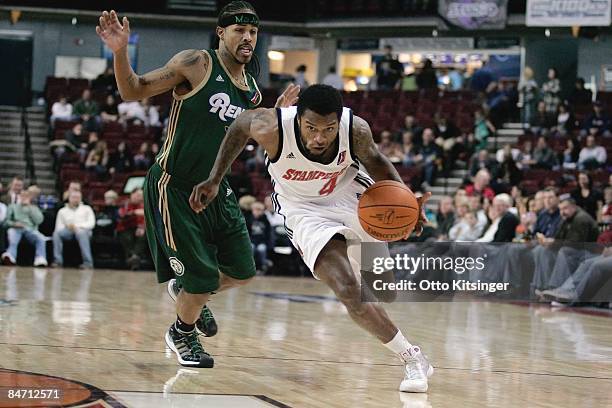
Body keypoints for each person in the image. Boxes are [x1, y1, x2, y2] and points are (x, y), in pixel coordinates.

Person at [191, 84, 434, 393]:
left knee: (382, 291)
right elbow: (239, 127)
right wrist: (214, 179)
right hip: (304, 210)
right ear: (297, 119)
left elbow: (377, 161)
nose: (319, 137)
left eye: (329, 129)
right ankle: (412, 358)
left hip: (354, 200)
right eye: (311, 128)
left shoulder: (355, 129)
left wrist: (408, 203)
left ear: (339, 121)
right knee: (348, 288)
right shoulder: (272, 125)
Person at [96, 2, 299, 368]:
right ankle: (182, 333)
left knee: (241, 271)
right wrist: (121, 51)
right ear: (221, 32)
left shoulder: (251, 90)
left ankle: (189, 292)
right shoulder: (197, 63)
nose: (248, 37)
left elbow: (243, 136)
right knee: (202, 276)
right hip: (174, 186)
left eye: (253, 31)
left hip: (215, 187)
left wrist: (276, 116)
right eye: (239, 30)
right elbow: (133, 90)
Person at [1, 190, 47, 267]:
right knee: (13, 236)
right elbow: (5, 222)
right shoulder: (12, 206)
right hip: (15, 229)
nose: (24, 198)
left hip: (30, 230)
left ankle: (40, 258)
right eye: (22, 196)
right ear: (19, 197)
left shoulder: (34, 208)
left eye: (26, 196)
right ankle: (10, 256)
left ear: (29, 198)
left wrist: (30, 208)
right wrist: (14, 224)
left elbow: (39, 221)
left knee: (41, 238)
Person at [52, 190, 96, 269]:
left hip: (84, 231)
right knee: (56, 234)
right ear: (69, 198)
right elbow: (58, 226)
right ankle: (58, 261)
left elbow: (91, 223)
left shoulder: (87, 209)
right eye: (74, 197)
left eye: (78, 198)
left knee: (81, 233)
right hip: (68, 231)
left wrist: (77, 226)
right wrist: (68, 227)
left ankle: (88, 262)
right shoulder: (62, 211)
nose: (76, 199)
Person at [117, 188, 147, 270]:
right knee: (127, 237)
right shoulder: (125, 203)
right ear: (132, 195)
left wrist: (142, 227)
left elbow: (146, 219)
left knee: (143, 235)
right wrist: (134, 212)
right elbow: (122, 216)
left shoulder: (143, 204)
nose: (140, 198)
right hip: (125, 227)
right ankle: (134, 258)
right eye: (138, 195)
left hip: (137, 228)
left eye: (141, 196)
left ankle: (133, 257)